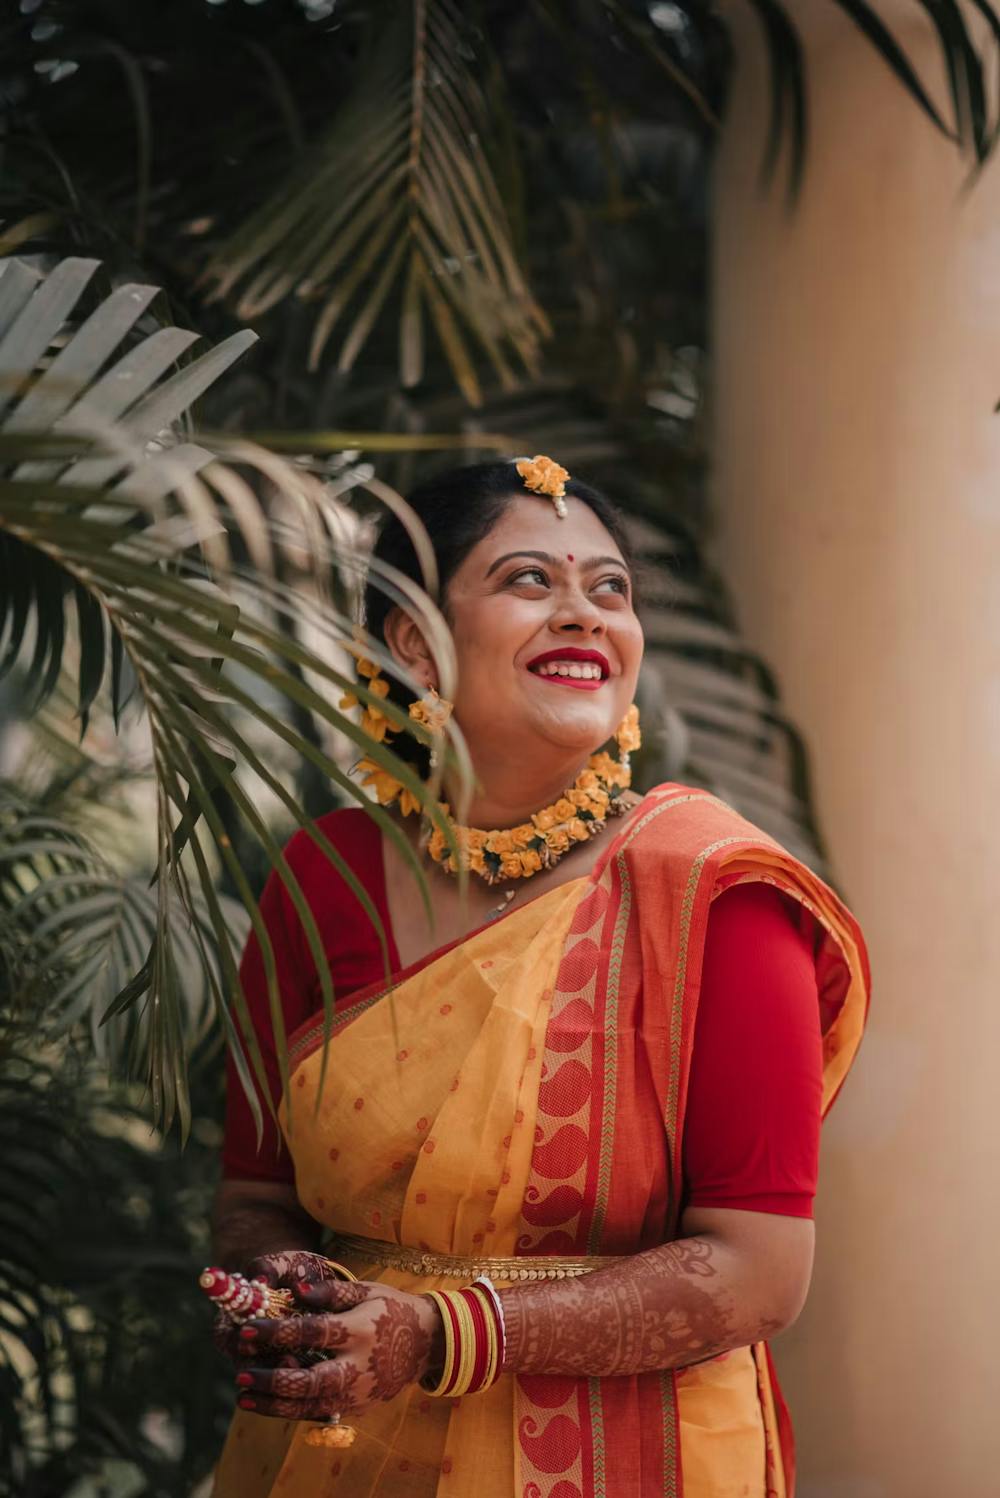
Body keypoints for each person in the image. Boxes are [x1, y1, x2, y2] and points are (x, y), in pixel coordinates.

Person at [210, 456, 869, 1498]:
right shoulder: (321, 875)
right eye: (530, 581)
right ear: (415, 641)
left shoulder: (712, 893)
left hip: (628, 1457)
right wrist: (291, 1286)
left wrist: (437, 1333)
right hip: (341, 1453)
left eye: (609, 589)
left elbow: (758, 1272)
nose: (584, 615)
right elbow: (254, 1191)